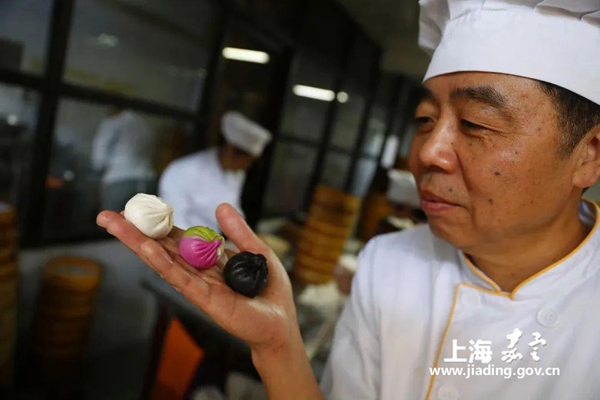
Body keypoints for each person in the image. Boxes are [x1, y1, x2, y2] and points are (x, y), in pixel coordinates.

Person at [97, 0, 600, 398]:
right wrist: (278, 346)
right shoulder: (388, 263)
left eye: (475, 124)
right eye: (424, 121)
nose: (428, 152)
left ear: (589, 155)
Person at [159, 111, 271, 231]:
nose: (248, 166)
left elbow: (233, 208)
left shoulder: (237, 173)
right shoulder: (182, 171)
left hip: (216, 240)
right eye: (248, 161)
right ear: (231, 149)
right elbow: (175, 221)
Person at [92, 108, 155, 211]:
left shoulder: (113, 122)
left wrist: (98, 169)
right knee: (140, 224)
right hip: (146, 179)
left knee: (112, 222)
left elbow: (99, 155)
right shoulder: (143, 124)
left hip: (119, 180)